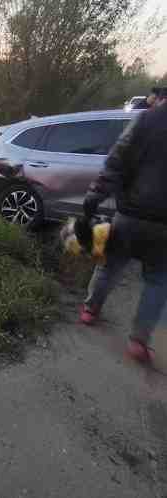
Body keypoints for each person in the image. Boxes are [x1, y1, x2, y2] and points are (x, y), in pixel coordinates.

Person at [80, 96, 167, 364]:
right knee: (158, 280)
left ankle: (90, 310)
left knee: (109, 265)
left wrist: (94, 196)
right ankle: (139, 340)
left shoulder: (146, 119)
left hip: (130, 214)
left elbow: (117, 159)